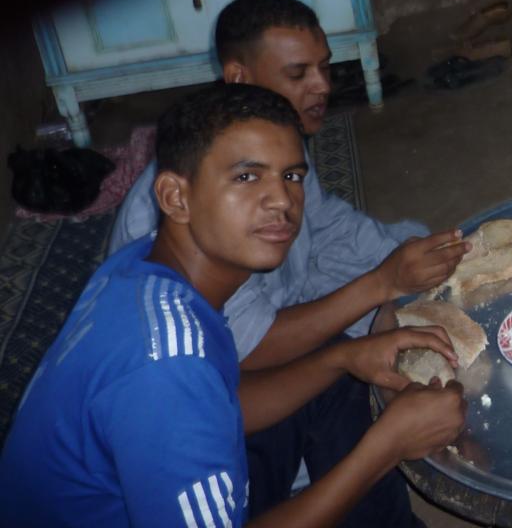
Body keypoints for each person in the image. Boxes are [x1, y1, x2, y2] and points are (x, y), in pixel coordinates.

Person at [0, 83, 467, 527]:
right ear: (174, 196)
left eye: (291, 176)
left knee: (336, 365)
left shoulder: (145, 266)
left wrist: (343, 358)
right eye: (246, 176)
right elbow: (186, 394)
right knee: (362, 431)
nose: (282, 200)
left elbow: (222, 400)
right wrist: (385, 446)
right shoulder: (164, 372)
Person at [107, 0, 468, 521]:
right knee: (350, 351)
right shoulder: (162, 349)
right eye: (299, 74)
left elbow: (324, 224)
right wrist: (382, 287)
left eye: (323, 68)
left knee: (379, 293)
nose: (323, 86)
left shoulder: (266, 142)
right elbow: (247, 355)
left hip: (269, 315)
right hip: (220, 396)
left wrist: (399, 270)